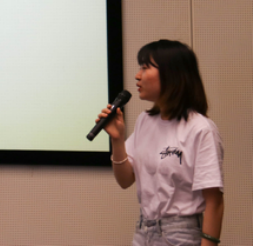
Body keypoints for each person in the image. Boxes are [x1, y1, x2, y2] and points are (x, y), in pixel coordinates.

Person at [96, 39, 224, 246]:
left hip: (181, 235)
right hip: (144, 231)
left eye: (145, 67)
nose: (138, 75)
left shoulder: (200, 129)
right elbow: (125, 180)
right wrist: (117, 139)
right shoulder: (145, 121)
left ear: (171, 73)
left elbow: (214, 202)